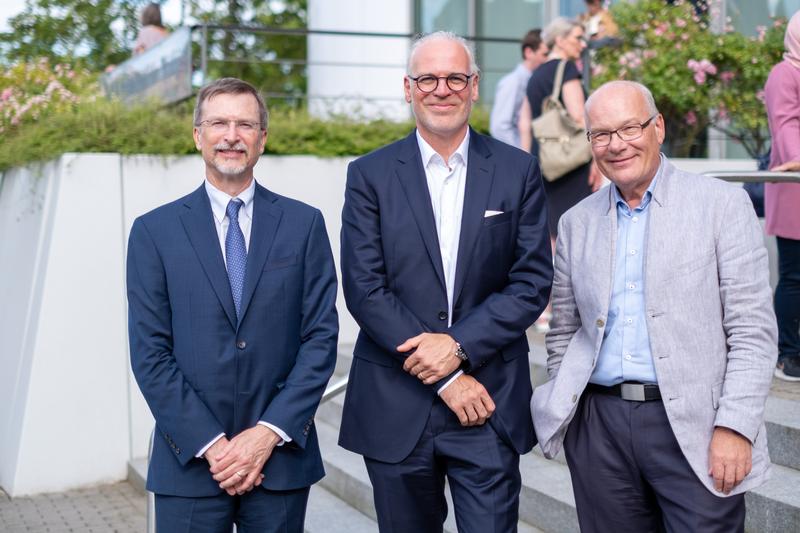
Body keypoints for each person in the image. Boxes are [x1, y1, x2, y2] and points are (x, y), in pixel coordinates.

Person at [531, 80, 777, 532]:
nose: (616, 145)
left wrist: (736, 426)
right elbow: (564, 330)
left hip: (698, 426)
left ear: (658, 127)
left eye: (630, 128)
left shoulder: (721, 205)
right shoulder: (575, 223)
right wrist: (576, 420)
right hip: (599, 429)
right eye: (601, 134)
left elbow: (752, 331)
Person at [338, 31, 553, 532]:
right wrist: (448, 376)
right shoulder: (368, 175)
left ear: (474, 85)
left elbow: (530, 282)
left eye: (455, 77)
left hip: (487, 403)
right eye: (427, 78)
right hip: (397, 406)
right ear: (408, 88)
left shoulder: (516, 170)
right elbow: (365, 287)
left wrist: (456, 348)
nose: (442, 89)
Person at [127, 77, 338, 532]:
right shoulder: (154, 232)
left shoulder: (304, 225)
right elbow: (150, 353)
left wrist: (266, 435)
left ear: (262, 138)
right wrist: (215, 446)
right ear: (197, 135)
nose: (231, 135)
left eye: (245, 124)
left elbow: (320, 339)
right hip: (191, 463)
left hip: (279, 462)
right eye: (218, 122)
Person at [519, 17, 601, 238]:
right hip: (571, 163)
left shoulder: (534, 75)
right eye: (577, 38)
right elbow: (579, 117)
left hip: (544, 162)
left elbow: (524, 124)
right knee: (577, 230)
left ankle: (554, 274)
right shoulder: (567, 69)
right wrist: (596, 158)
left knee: (552, 232)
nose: (583, 44)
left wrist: (527, 164)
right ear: (560, 40)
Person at [764, 10, 800, 381]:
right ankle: (788, 355)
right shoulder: (784, 73)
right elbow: (785, 123)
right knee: (794, 275)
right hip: (795, 188)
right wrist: (796, 159)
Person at [489, 29, 548, 148]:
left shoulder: (533, 81)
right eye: (545, 54)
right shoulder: (513, 82)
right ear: (528, 52)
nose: (548, 59)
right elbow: (500, 127)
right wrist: (522, 156)